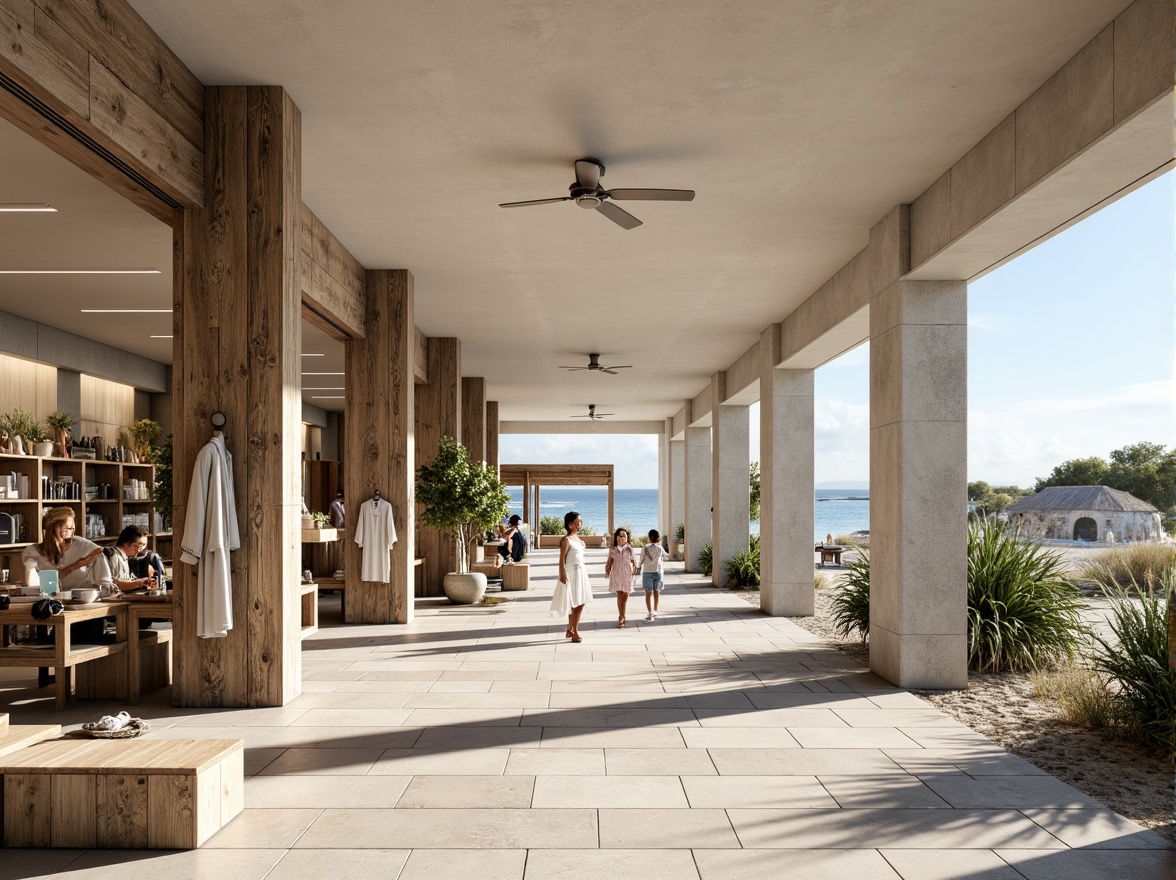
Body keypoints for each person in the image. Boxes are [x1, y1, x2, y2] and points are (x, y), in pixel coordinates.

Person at [21, 506, 111, 590]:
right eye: (66, 529)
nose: (71, 532)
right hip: (49, 603)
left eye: (72, 528)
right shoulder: (33, 552)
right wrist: (72, 567)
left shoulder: (89, 549)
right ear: (51, 529)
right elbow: (33, 585)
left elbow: (105, 584)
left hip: (84, 602)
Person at [549, 510, 592, 642]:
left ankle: (571, 628)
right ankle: (574, 631)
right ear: (570, 524)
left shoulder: (578, 539)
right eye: (578, 521)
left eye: (581, 521)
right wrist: (562, 573)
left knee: (580, 601)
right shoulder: (566, 540)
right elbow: (561, 559)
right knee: (574, 602)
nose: (581, 523)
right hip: (571, 572)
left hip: (581, 572)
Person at [104, 525, 156, 592]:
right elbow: (115, 584)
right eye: (136, 546)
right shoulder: (114, 557)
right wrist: (140, 582)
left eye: (143, 545)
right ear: (125, 543)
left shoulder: (125, 557)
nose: (139, 550)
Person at [605, 526, 636, 628]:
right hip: (617, 575)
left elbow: (633, 561)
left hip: (627, 576)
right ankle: (621, 616)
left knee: (625, 596)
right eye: (620, 535)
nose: (622, 537)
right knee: (619, 595)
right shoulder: (613, 550)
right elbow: (609, 561)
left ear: (627, 537)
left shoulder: (630, 549)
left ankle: (623, 614)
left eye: (624, 535)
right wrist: (607, 571)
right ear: (617, 537)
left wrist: (635, 569)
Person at [639, 529, 669, 620]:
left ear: (649, 537)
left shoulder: (645, 548)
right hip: (658, 572)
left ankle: (650, 612)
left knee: (648, 593)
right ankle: (655, 610)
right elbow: (666, 557)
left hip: (647, 572)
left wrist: (638, 566)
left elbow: (641, 560)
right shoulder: (660, 548)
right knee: (656, 592)